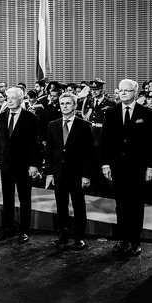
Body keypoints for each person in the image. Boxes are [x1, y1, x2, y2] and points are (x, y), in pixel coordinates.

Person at [101, 79, 152, 256]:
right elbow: (105, 141)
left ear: (135, 92)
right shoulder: (111, 113)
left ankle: (135, 240)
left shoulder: (147, 113)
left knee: (136, 205)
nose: (123, 93)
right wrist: (105, 164)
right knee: (120, 205)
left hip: (138, 168)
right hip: (117, 167)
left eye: (127, 90)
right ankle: (122, 238)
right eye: (121, 90)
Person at [45, 93, 94, 250]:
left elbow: (89, 153)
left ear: (75, 105)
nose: (65, 106)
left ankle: (78, 238)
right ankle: (63, 235)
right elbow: (49, 151)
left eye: (68, 103)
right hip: (59, 173)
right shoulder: (52, 125)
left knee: (79, 207)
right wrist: (49, 173)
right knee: (61, 206)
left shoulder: (84, 126)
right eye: (62, 103)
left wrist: (86, 175)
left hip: (77, 175)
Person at [0, 87, 41, 243]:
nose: (10, 101)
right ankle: (7, 228)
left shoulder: (31, 117)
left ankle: (24, 230)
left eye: (13, 98)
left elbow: (35, 144)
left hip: (24, 166)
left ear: (21, 99)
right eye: (8, 98)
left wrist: (34, 165)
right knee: (7, 197)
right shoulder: (0, 117)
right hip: (6, 165)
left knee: (24, 198)